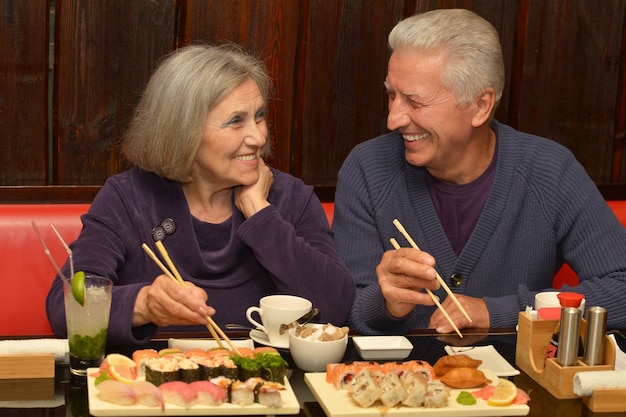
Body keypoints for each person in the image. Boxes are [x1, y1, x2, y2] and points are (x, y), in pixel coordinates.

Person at [332, 9, 626, 336]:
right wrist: (387, 303)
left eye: (414, 102)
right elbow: (346, 313)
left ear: (480, 105)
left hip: (516, 385)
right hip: (399, 382)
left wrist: (497, 311)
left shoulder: (550, 172)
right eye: (391, 95)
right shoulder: (368, 168)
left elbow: (622, 288)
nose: (393, 119)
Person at [46, 44, 355, 346]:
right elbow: (66, 306)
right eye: (236, 121)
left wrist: (261, 215)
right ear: (183, 131)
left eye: (259, 116)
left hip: (271, 388)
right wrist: (144, 304)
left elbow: (336, 307)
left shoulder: (290, 198)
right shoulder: (129, 198)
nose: (259, 136)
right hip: (156, 390)